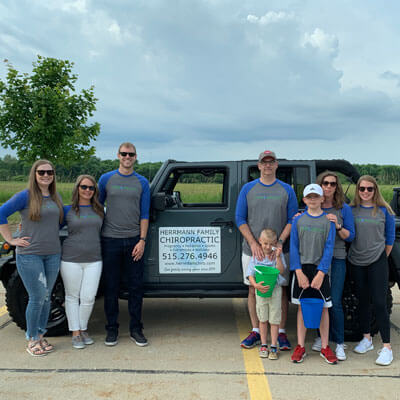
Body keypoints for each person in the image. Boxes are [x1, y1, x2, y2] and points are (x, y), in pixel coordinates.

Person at [235, 150, 298, 350]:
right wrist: (253, 243)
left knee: (281, 290)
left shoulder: (287, 190)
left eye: (271, 162)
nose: (268, 165)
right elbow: (239, 219)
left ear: (276, 165)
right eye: (265, 162)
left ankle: (279, 332)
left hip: (279, 250)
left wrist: (279, 242)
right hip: (253, 249)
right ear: (259, 165)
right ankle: (256, 330)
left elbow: (292, 219)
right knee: (254, 289)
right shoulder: (248, 189)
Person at [0, 160, 63, 356]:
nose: (46, 175)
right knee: (37, 297)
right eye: (41, 172)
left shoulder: (55, 196)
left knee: (46, 297)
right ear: (34, 174)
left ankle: (41, 335)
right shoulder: (25, 196)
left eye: (49, 172)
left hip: (52, 254)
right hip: (30, 255)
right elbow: (1, 213)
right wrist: (11, 239)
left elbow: (57, 223)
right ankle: (32, 338)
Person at [98, 142, 150, 347]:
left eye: (131, 154)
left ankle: (136, 329)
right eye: (124, 154)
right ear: (118, 155)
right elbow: (96, 206)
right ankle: (111, 330)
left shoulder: (142, 182)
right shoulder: (106, 179)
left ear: (136, 157)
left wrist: (142, 240)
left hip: (133, 241)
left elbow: (145, 214)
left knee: (136, 287)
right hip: (110, 239)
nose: (127, 157)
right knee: (111, 287)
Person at [348, 175, 395, 366]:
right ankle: (366, 338)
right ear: (357, 190)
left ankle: (386, 348)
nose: (366, 192)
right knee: (363, 301)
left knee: (379, 302)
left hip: (377, 261)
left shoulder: (385, 211)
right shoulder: (351, 210)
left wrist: (379, 256)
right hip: (356, 261)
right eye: (362, 189)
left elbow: (389, 239)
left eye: (370, 189)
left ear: (375, 190)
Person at [290, 183, 337, 364]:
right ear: (304, 200)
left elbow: (329, 248)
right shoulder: (298, 220)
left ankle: (325, 346)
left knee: (324, 308)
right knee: (302, 307)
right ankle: (301, 346)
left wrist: (321, 273)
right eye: (309, 197)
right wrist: (299, 272)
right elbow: (293, 246)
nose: (313, 200)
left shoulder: (328, 221)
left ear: (322, 199)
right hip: (302, 268)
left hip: (320, 270)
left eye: (316, 197)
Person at [310, 171, 355, 361]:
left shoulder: (343, 209)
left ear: (337, 187)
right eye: (325, 183)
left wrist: (338, 226)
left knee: (334, 302)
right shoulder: (313, 206)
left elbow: (351, 236)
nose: (329, 187)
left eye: (333, 184)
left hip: (336, 259)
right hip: (317, 260)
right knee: (321, 301)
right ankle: (322, 338)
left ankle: (339, 343)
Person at [60, 175, 104, 349]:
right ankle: (76, 333)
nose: (87, 190)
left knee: (88, 297)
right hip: (71, 259)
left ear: (95, 191)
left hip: (94, 260)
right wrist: (25, 227)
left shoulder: (101, 210)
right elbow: (48, 226)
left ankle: (83, 328)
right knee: (72, 296)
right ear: (77, 188)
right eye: (84, 187)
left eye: (91, 188)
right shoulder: (66, 210)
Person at [247, 229, 287, 360]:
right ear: (260, 241)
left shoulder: (277, 255)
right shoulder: (255, 256)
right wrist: (256, 285)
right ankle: (264, 345)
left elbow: (280, 271)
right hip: (260, 291)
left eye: (271, 244)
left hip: (275, 290)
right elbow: (250, 274)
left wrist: (277, 257)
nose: (268, 247)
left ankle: (274, 346)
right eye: (265, 243)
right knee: (262, 319)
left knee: (274, 320)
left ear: (275, 243)